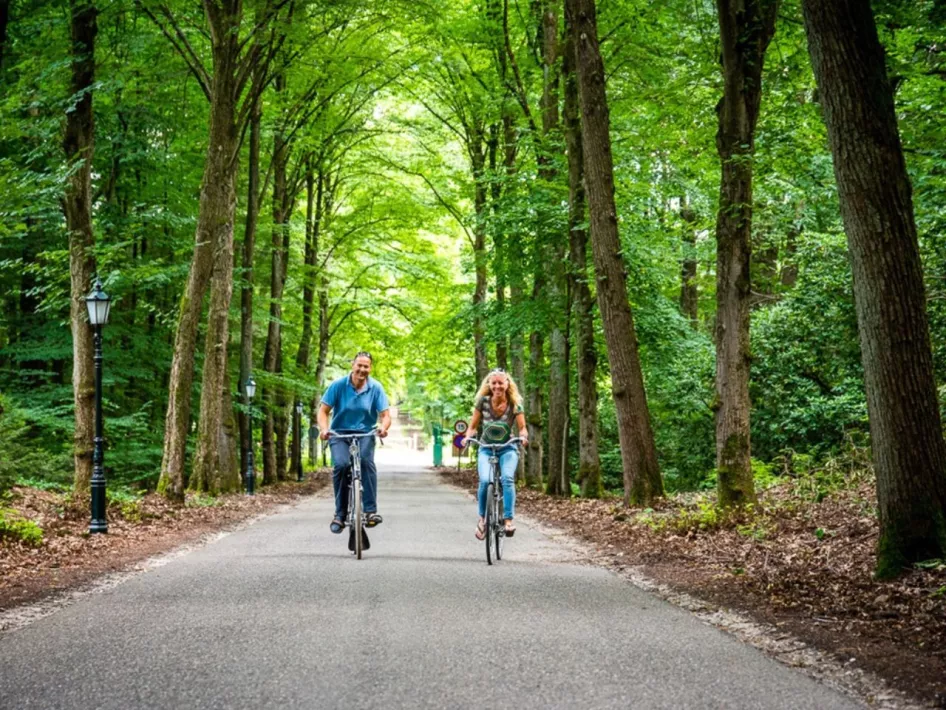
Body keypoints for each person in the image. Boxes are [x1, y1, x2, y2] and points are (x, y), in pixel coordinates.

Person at [317, 351, 391, 534]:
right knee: (341, 466)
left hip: (365, 433)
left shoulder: (375, 388)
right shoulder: (338, 385)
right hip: (339, 433)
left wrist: (383, 428)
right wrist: (324, 429)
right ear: (353, 365)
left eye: (366, 366)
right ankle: (340, 515)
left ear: (370, 368)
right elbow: (323, 411)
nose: (362, 369)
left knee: (366, 462)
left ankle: (370, 511)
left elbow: (385, 415)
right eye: (359, 365)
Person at [462, 369, 528, 540]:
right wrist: (468, 437)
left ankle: (508, 520)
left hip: (507, 447)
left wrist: (523, 437)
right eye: (494, 383)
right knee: (485, 481)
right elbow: (473, 426)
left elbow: (522, 428)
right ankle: (482, 519)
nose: (497, 386)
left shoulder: (515, 404)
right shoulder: (482, 402)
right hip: (486, 447)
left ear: (507, 384)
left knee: (507, 478)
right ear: (489, 385)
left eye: (501, 383)